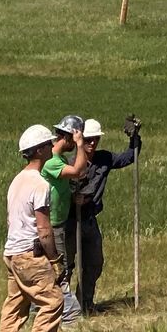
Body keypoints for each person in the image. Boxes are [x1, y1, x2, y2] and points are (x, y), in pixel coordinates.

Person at [60, 115, 142, 315]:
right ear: (81, 139)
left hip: (89, 220)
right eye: (88, 139)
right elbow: (57, 192)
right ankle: (62, 310)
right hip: (71, 221)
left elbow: (130, 156)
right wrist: (73, 198)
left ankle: (85, 305)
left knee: (94, 264)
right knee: (66, 267)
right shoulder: (72, 163)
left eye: (96, 139)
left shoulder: (104, 159)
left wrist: (135, 138)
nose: (92, 143)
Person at [3, 124, 65, 332]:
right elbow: (44, 229)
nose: (52, 147)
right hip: (30, 256)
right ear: (39, 150)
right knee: (53, 301)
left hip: (11, 254)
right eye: (49, 144)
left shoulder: (17, 180)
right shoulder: (40, 184)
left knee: (15, 307)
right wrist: (55, 259)